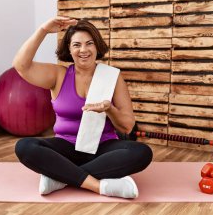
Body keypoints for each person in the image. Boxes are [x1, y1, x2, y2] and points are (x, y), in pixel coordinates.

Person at [13, 16, 153, 199]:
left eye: (89, 43)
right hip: (65, 147)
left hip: (103, 148)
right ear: (69, 50)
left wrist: (109, 109)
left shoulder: (113, 77)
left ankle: (60, 177)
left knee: (141, 152)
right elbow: (21, 66)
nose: (84, 50)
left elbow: (127, 126)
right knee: (25, 146)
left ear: (97, 47)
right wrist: (43, 30)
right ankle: (97, 185)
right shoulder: (58, 75)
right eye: (77, 45)